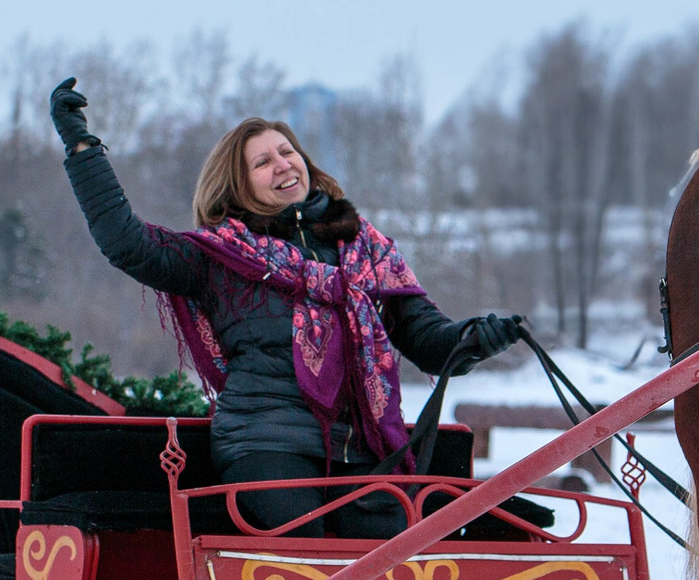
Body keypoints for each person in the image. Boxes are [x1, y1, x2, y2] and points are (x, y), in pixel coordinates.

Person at [51, 76, 523, 538]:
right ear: (237, 186)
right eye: (262, 162)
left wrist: (473, 339)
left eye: (286, 152)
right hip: (265, 442)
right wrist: (83, 150)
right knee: (302, 554)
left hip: (362, 448)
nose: (281, 165)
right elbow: (127, 243)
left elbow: (428, 341)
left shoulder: (368, 249)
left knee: (387, 557)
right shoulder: (221, 258)